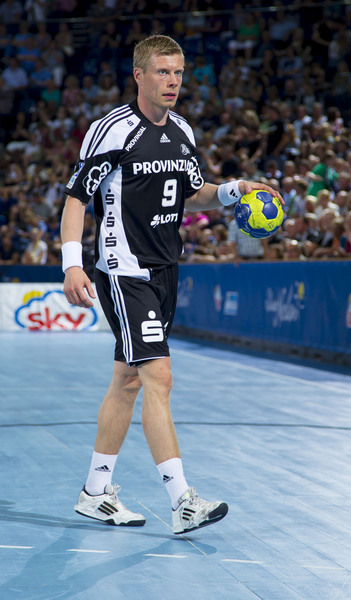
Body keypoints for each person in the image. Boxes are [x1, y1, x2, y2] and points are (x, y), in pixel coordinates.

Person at [60, 35, 281, 535]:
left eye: (179, 72)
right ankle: (183, 501)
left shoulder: (182, 131)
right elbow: (77, 199)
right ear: (139, 75)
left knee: (128, 380)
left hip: (166, 270)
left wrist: (233, 190)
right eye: (163, 72)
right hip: (125, 270)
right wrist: (73, 264)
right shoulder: (112, 130)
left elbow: (190, 194)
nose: (173, 81)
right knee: (158, 377)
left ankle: (95, 492)